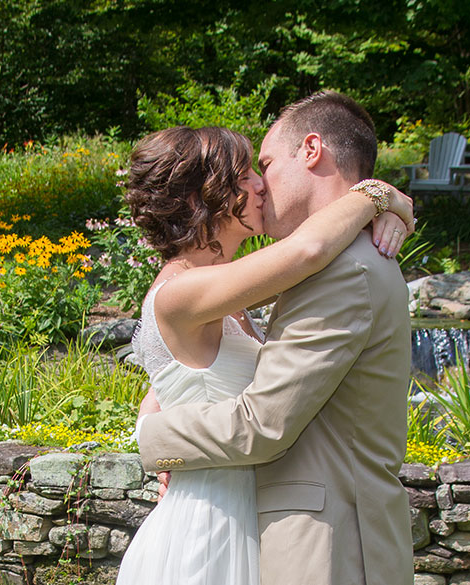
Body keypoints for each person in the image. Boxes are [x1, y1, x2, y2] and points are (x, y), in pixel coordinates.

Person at [114, 114, 413, 585]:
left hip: (249, 516)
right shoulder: (181, 291)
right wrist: (378, 195)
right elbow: (308, 249)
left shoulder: (226, 290)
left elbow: (171, 384)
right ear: (200, 197)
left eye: (263, 166)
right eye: (245, 174)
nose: (260, 185)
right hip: (207, 527)